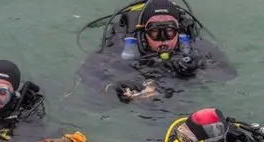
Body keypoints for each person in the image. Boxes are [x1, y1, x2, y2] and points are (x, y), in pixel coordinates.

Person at [75, 0, 236, 104]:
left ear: (179, 32)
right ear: (144, 33)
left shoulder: (196, 48)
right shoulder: (124, 47)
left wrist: (198, 68)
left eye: (169, 31)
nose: (163, 39)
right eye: (155, 32)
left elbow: (229, 75)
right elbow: (87, 74)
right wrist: (117, 86)